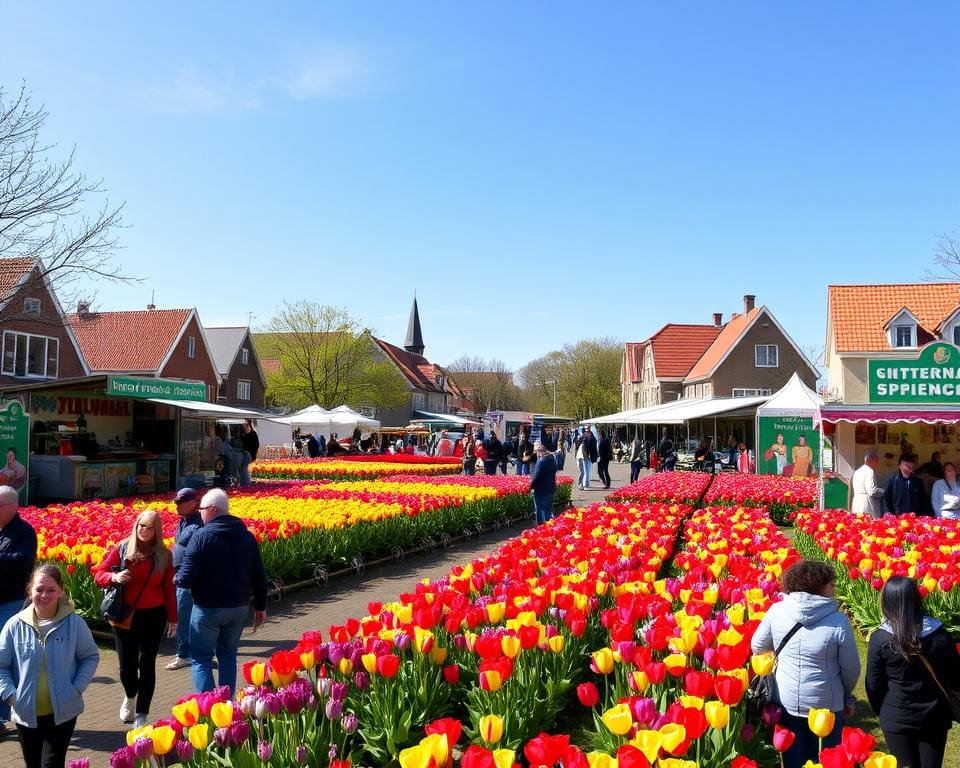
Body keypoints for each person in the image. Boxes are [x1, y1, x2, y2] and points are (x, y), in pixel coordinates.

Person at [751, 560, 860, 768]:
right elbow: (851, 669)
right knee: (825, 758)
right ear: (819, 586)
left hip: (786, 698)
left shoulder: (777, 610)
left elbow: (757, 646)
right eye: (831, 584)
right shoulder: (838, 621)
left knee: (793, 758)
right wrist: (846, 694)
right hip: (826, 704)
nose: (834, 588)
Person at [0, 564, 99, 768]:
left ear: (61, 591)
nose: (44, 595)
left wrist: (77, 688)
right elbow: (1, 665)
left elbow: (89, 656)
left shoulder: (75, 623)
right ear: (30, 590)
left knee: (51, 765)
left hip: (63, 712)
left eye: (51, 590)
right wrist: (10, 695)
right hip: (25, 712)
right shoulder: (14, 625)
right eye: (39, 589)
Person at [176, 488, 268, 695]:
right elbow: (259, 576)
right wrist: (261, 607)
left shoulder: (201, 537)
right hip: (238, 608)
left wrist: (176, 577)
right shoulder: (247, 537)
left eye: (203, 509)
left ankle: (209, 709)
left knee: (201, 658)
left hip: (208, 609)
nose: (200, 512)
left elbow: (187, 578)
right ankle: (227, 706)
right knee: (227, 656)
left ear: (214, 510)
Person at [94, 509, 177, 729]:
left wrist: (173, 618)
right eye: (141, 525)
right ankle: (130, 695)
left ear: (156, 530)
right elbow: (99, 574)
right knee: (126, 667)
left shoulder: (163, 555)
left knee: (146, 663)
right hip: (125, 615)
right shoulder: (122, 548)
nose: (144, 530)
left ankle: (142, 714)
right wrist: (114, 576)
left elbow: (169, 587)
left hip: (154, 614)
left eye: (149, 527)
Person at [865, 575, 960, 768]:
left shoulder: (881, 639)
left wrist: (882, 710)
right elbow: (955, 676)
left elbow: (873, 684)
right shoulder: (939, 634)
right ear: (917, 598)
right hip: (934, 715)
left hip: (897, 715)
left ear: (886, 602)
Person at [0, 486, 37, 733]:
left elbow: (22, 561)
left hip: (11, 602)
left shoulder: (24, 532)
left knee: (3, 659)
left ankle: (1, 716)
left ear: (13, 506)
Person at [166, 488, 204, 671]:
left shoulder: (198, 525)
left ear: (194, 502)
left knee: (182, 615)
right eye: (176, 502)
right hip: (176, 576)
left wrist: (182, 575)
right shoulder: (183, 521)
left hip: (186, 578)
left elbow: (195, 555)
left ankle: (183, 655)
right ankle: (191, 652)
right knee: (183, 615)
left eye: (180, 502)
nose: (177, 505)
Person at [529, 442, 558, 525]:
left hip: (540, 488)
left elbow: (537, 475)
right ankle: (549, 524)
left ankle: (541, 526)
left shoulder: (541, 461)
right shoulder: (552, 459)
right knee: (548, 508)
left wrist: (531, 486)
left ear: (539, 452)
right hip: (550, 487)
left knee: (539, 508)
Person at [851, 449, 884, 517]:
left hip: (857, 502)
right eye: (877, 461)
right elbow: (872, 491)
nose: (877, 464)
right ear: (872, 460)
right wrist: (884, 491)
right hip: (867, 503)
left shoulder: (857, 471)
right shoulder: (869, 471)